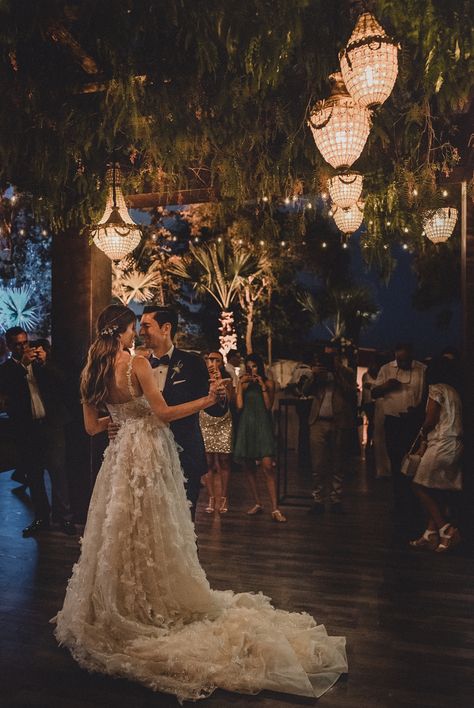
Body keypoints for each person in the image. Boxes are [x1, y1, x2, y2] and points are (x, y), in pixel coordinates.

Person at [53, 304, 347, 703]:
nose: (136, 334)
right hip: (148, 453)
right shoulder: (135, 364)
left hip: (120, 457)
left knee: (120, 526)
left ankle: (122, 601)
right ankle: (155, 600)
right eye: (132, 328)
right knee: (154, 524)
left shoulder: (91, 372)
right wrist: (207, 401)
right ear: (121, 331)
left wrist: (121, 420)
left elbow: (92, 427)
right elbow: (164, 414)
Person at [0, 327, 76, 536]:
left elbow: (65, 383)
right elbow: (8, 392)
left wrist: (46, 363)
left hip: (52, 424)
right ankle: (41, 518)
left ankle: (65, 518)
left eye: (25, 342)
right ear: (9, 345)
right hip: (27, 428)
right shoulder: (6, 369)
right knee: (34, 475)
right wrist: (22, 367)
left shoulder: (42, 364)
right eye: (17, 344)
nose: (23, 347)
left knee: (58, 470)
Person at [139, 305, 211, 519]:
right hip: (149, 456)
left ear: (166, 328)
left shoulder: (192, 362)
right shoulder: (139, 366)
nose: (141, 331)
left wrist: (221, 396)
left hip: (185, 453)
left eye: (146, 326)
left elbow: (213, 406)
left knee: (184, 523)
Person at [409, 357, 463, 552]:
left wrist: (422, 433)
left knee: (418, 485)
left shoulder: (436, 389)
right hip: (455, 445)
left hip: (440, 443)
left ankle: (445, 529)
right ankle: (429, 533)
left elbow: (431, 419)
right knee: (435, 488)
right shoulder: (454, 392)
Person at [372, 343, 426, 525]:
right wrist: (386, 386)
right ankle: (400, 502)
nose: (403, 363)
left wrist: (418, 411)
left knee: (414, 463)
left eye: (406, 360)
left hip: (414, 422)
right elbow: (374, 392)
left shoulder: (422, 369)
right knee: (396, 462)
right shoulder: (386, 369)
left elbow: (427, 395)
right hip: (393, 421)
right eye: (399, 360)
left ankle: (415, 503)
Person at [303, 347, 357, 515]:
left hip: (339, 422)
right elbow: (305, 391)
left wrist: (337, 373)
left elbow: (351, 393)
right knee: (317, 463)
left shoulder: (346, 372)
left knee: (338, 463)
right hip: (317, 422)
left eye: (331, 356)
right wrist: (314, 375)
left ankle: (336, 500)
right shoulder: (318, 372)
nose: (328, 360)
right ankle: (318, 500)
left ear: (337, 357)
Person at [233, 353, 286, 522]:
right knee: (249, 467)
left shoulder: (269, 383)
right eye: (249, 367)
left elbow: (268, 405)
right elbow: (239, 406)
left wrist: (262, 385)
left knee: (268, 466)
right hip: (247, 425)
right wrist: (241, 385)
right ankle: (257, 502)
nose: (251, 369)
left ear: (259, 367)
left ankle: (275, 508)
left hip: (263, 426)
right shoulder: (244, 383)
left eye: (254, 366)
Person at [200, 350, 234, 514]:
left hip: (223, 420)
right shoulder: (200, 379)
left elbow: (229, 400)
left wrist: (220, 381)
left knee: (224, 459)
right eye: (210, 360)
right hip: (206, 419)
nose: (212, 363)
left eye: (216, 360)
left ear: (221, 362)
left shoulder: (227, 379)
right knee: (208, 461)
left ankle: (224, 497)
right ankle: (211, 497)